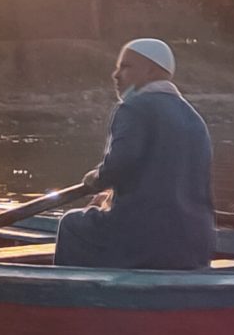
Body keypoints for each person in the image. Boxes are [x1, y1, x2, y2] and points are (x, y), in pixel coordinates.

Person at [52, 38, 217, 272]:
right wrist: (110, 199)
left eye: (126, 66)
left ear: (150, 71)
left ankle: (69, 297)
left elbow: (118, 167)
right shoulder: (194, 118)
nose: (116, 75)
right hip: (195, 244)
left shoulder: (133, 108)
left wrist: (96, 179)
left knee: (70, 225)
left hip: (144, 239)